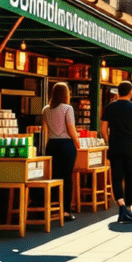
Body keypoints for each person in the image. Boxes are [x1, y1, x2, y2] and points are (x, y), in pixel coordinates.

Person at [100, 81, 132, 223]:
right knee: (130, 178)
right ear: (130, 92)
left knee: (116, 177)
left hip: (115, 145)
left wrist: (109, 140)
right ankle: (128, 209)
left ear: (117, 92)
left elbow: (103, 129)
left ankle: (121, 206)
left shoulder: (109, 107)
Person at [40, 82, 79, 222]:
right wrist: (77, 141)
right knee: (66, 177)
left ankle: (52, 207)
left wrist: (45, 147)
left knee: (54, 177)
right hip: (66, 144)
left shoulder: (46, 109)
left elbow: (45, 130)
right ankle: (66, 211)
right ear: (65, 94)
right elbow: (71, 128)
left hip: (52, 144)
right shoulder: (68, 108)